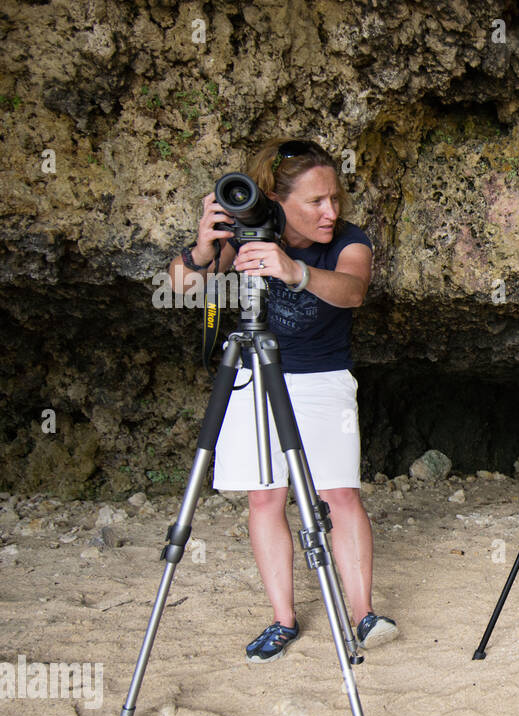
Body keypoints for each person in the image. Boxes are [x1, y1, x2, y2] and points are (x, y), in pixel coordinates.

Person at [167, 138, 397, 662]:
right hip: (254, 375)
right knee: (265, 498)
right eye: (315, 201)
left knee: (340, 495)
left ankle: (362, 613)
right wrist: (204, 250)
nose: (330, 211)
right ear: (275, 198)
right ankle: (283, 619)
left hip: (323, 379)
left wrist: (294, 271)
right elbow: (181, 286)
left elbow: (353, 290)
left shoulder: (348, 240)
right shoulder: (244, 238)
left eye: (334, 198)